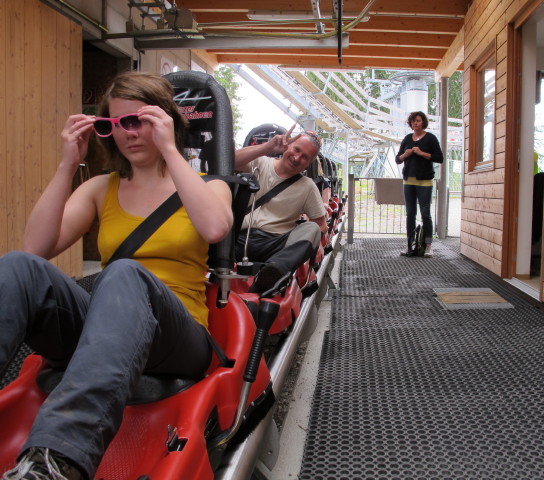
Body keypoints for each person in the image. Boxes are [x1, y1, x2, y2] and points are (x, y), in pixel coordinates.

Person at [0, 71, 233, 480]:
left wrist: (171, 151)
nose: (127, 133)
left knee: (125, 273)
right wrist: (66, 164)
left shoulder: (210, 185)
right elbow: (34, 249)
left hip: (178, 335)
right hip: (109, 324)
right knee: (18, 268)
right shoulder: (99, 188)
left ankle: (56, 461)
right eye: (113, 124)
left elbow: (215, 229)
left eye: (136, 120)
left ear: (164, 120)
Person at [234, 126, 328, 293]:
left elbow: (321, 225)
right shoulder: (259, 163)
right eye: (296, 150)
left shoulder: (307, 186)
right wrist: (266, 147)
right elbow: (229, 160)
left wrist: (316, 243)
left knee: (312, 229)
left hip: (275, 244)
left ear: (309, 163)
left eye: (304, 157)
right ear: (288, 146)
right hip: (239, 238)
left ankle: (273, 272)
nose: (297, 157)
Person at [395, 111, 443, 257]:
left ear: (423, 123)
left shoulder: (431, 138)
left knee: (425, 213)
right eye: (413, 121)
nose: (415, 123)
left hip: (425, 181)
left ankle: (428, 245)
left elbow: (439, 158)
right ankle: (409, 244)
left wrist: (422, 153)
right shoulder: (407, 139)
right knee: (410, 213)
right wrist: (406, 154)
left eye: (418, 121)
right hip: (408, 180)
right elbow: (398, 159)